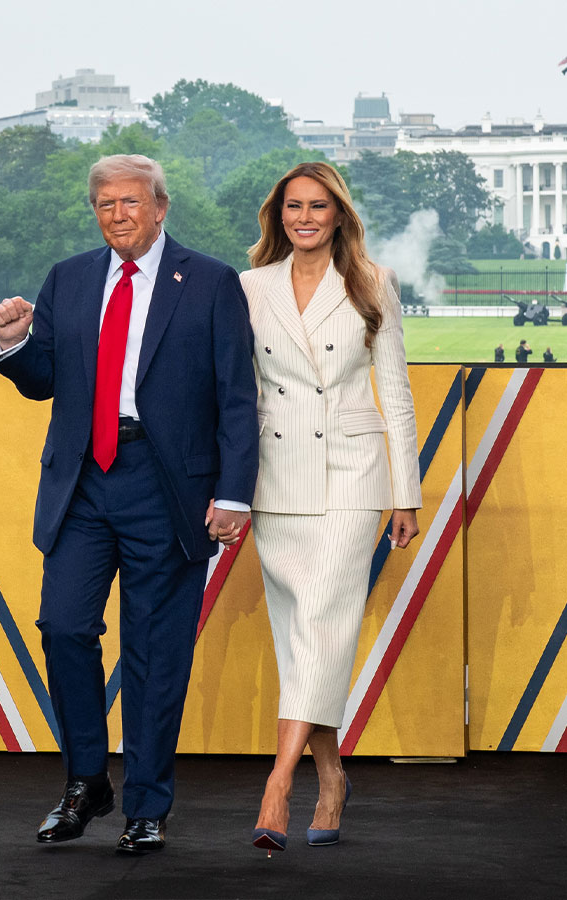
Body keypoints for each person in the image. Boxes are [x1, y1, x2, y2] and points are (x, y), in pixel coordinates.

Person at [0, 154, 259, 855]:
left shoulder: (209, 281)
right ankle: (86, 782)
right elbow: (43, 378)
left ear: (161, 207)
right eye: (105, 203)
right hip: (82, 484)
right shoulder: (69, 278)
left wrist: (234, 492)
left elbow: (237, 395)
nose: (117, 214)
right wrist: (14, 342)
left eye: (130, 202)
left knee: (155, 653)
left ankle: (147, 805)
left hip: (169, 486)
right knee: (64, 628)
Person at [239, 162, 422, 854]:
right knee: (300, 640)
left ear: (339, 214)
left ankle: (278, 785)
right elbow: (240, 394)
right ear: (278, 214)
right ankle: (332, 775)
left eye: (318, 206)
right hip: (275, 479)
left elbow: (395, 394)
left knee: (321, 621)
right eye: (294, 207)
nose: (305, 217)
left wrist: (405, 494)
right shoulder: (249, 286)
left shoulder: (374, 283)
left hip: (352, 476)